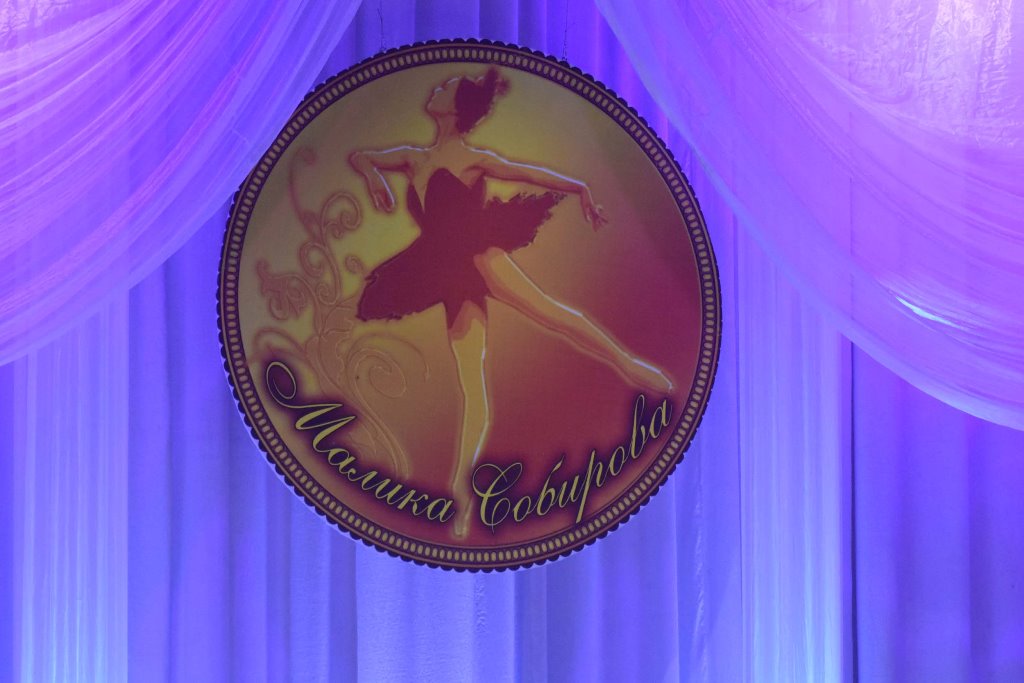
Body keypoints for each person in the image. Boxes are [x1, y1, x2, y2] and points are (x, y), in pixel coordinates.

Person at [349, 67, 672, 537]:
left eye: (446, 87)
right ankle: (462, 490)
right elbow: (361, 156)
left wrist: (581, 190)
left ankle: (631, 366)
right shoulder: (412, 158)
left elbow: (530, 174)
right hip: (447, 277)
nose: (437, 87)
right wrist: (374, 179)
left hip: (480, 259)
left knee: (554, 315)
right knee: (472, 382)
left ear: (455, 110)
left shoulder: (472, 159)